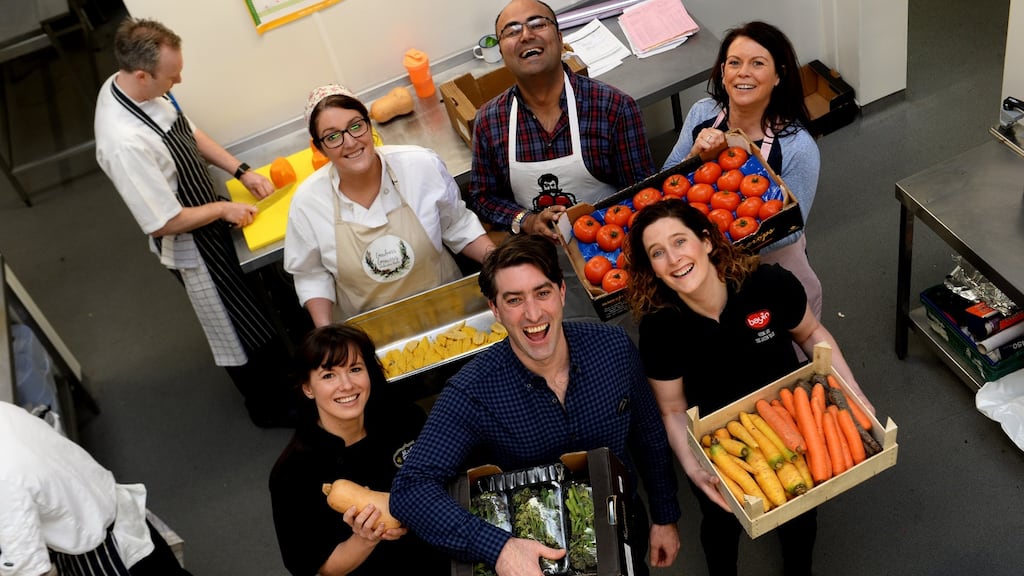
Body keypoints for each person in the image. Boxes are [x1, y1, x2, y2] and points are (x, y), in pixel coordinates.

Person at [390, 234, 681, 576]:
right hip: (538, 558)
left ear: (561, 292)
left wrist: (664, 515)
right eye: (514, 300)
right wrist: (498, 548)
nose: (532, 313)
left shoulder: (614, 350)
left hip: (622, 528)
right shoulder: (472, 390)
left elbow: (648, 434)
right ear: (495, 310)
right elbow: (411, 489)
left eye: (542, 293)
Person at [624, 199, 875, 576]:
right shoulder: (660, 330)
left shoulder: (768, 284)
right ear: (653, 271)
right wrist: (695, 471)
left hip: (792, 421)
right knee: (722, 525)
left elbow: (810, 334)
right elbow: (673, 409)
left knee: (801, 516)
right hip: (719, 443)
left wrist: (854, 393)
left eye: (680, 241)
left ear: (706, 241)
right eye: (658, 253)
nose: (674, 259)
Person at [93, 18, 296, 427]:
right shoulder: (123, 142)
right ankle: (267, 409)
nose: (180, 80)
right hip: (189, 243)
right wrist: (223, 210)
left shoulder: (145, 90)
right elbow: (161, 221)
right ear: (141, 75)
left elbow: (188, 131)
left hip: (207, 216)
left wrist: (240, 171)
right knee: (234, 327)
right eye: (173, 75)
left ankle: (288, 383)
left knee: (257, 308)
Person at [284, 85, 495, 325]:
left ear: (368, 124)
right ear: (318, 147)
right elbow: (311, 274)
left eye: (356, 126)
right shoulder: (308, 203)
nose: (350, 142)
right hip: (371, 335)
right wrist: (328, 334)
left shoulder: (419, 165)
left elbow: (457, 225)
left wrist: (500, 264)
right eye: (333, 136)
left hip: (451, 316)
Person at [662, 21, 824, 319]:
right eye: (734, 63)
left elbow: (791, 228)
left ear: (779, 76)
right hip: (704, 275)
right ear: (723, 72)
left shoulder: (797, 147)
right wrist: (693, 157)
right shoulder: (703, 114)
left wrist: (711, 244)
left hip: (772, 272)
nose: (743, 72)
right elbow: (666, 180)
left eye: (758, 63)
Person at [468, 0, 655, 240]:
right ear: (503, 53)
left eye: (537, 24)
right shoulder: (489, 121)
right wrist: (526, 220)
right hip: (537, 257)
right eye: (512, 31)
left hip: (610, 251)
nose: (526, 35)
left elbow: (643, 193)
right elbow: (483, 197)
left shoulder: (613, 107)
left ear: (559, 38)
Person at [268, 324, 447, 576]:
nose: (347, 385)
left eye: (355, 369)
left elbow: (442, 478)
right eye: (329, 375)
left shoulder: (405, 418)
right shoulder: (292, 473)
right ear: (308, 388)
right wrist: (365, 539)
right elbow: (320, 567)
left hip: (441, 551)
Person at [0, 401, 191, 576]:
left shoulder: (5, 480)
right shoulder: (4, 410)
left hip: (106, 550)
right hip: (110, 509)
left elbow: (28, 567)